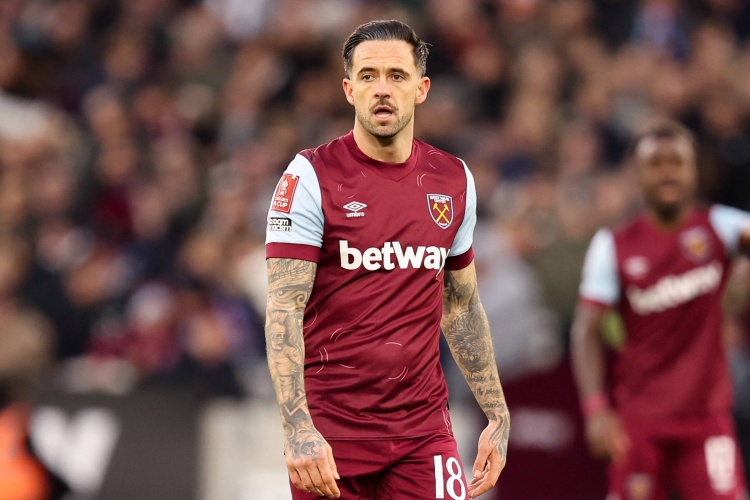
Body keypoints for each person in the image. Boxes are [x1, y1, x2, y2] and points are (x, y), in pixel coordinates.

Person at [264, 19, 510, 500]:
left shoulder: (453, 179)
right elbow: (283, 308)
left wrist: (497, 413)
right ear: (348, 89)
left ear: (421, 89)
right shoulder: (310, 177)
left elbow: (460, 305)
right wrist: (297, 427)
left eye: (396, 76)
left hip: (424, 433)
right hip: (332, 438)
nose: (382, 89)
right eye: (368, 76)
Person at [571, 119, 750, 499]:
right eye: (655, 164)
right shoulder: (613, 245)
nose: (667, 172)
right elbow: (586, 331)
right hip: (640, 422)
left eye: (676, 162)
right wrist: (595, 408)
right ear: (638, 174)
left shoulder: (720, 227)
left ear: (694, 171)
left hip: (707, 420)